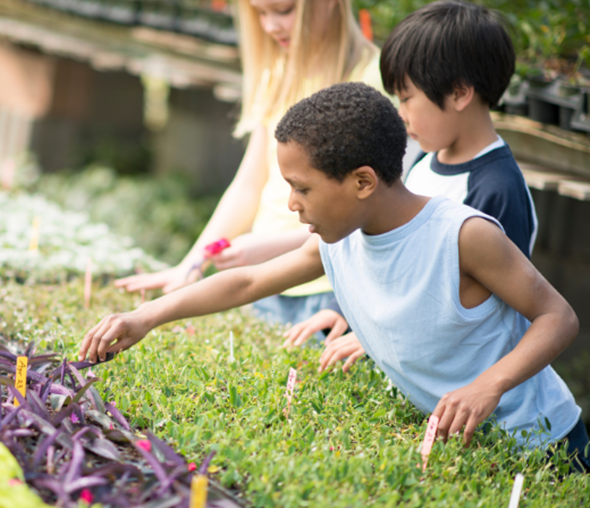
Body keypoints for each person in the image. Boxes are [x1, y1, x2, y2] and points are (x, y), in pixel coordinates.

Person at [79, 82, 588, 470]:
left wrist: (488, 386)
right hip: (458, 438)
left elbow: (558, 317)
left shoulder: (461, 235)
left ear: (362, 181)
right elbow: (248, 282)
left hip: (540, 442)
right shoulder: (338, 238)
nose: (290, 203)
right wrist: (146, 317)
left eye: (302, 188)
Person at [285, 0, 539, 365]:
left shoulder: (496, 189)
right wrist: (343, 310)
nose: (401, 114)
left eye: (407, 98)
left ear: (459, 93)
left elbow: (486, 312)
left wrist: (376, 340)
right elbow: (389, 255)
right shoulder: (423, 163)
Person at [116, 0, 385, 333]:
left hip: (327, 290)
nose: (270, 27)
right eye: (261, 13)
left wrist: (268, 246)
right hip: (265, 284)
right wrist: (191, 265)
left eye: (284, 11)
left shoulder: (371, 80)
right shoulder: (279, 71)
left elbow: (370, 210)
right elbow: (250, 184)